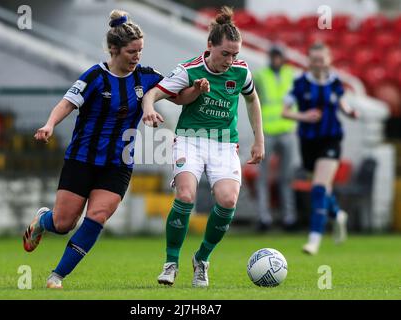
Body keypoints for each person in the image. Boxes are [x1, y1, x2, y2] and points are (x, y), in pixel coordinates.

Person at [22, 10, 208, 289]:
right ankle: (42, 221)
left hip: (118, 163)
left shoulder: (146, 77)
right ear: (114, 49)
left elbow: (178, 97)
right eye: (131, 51)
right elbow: (67, 103)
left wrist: (197, 90)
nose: (137, 57)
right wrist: (49, 124)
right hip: (82, 158)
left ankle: (56, 276)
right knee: (63, 223)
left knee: (97, 216)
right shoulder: (95, 75)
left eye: (140, 51)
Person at [142, 6, 265, 287]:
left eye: (235, 54)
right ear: (209, 46)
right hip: (190, 139)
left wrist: (259, 139)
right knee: (185, 196)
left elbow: (252, 99)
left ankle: (202, 259)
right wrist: (148, 108)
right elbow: (155, 92)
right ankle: (171, 262)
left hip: (224, 144)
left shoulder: (241, 72)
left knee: (228, 201)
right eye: (225, 54)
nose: (230, 60)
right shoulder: (189, 70)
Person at [282, 42, 358, 255]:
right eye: (314, 60)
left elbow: (343, 105)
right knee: (323, 187)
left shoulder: (336, 83)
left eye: (321, 59)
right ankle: (337, 213)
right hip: (307, 141)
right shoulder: (300, 84)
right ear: (309, 61)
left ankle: (314, 239)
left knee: (318, 187)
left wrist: (351, 112)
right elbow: (285, 112)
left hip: (331, 140)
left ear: (329, 59)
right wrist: (303, 116)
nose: (318, 63)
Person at [254, 44, 297, 231]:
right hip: (268, 131)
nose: (276, 59)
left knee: (286, 177)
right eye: (273, 56)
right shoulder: (260, 75)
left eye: (278, 56)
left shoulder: (292, 74)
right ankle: (264, 217)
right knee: (263, 177)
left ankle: (289, 217)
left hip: (287, 130)